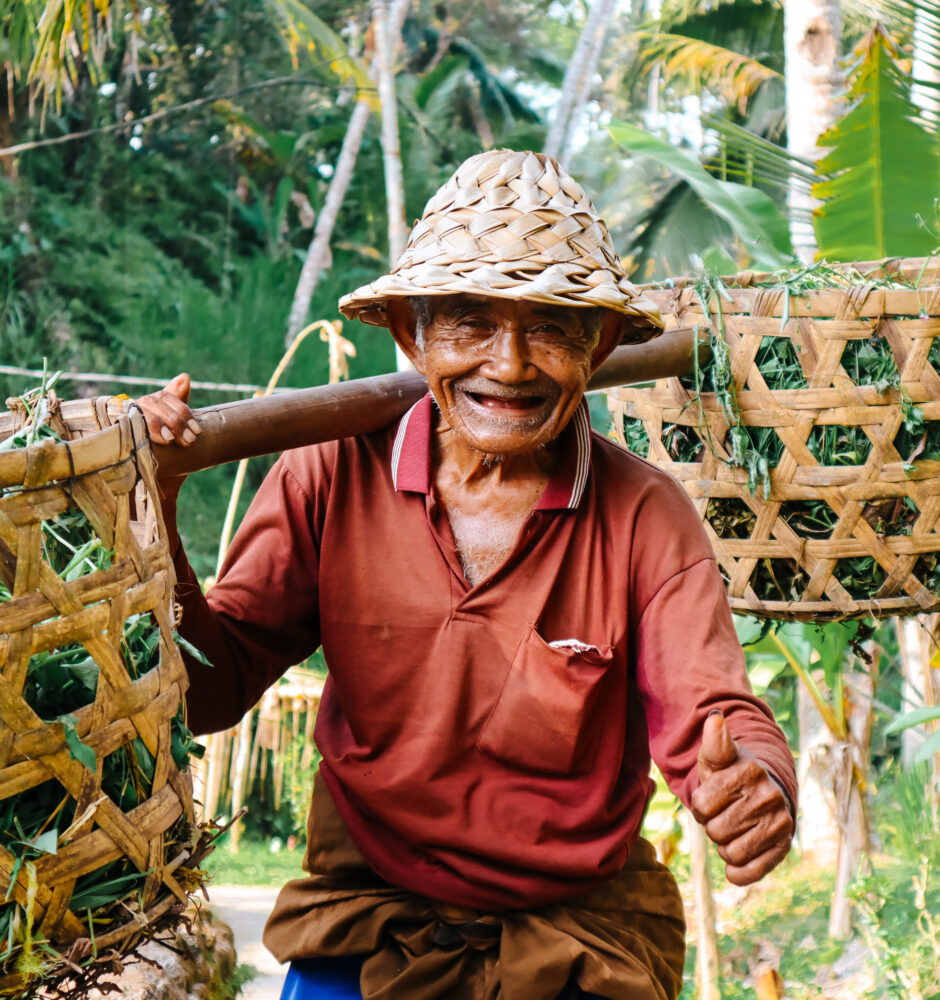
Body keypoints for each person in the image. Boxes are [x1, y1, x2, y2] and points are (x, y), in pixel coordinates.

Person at [140, 150, 796, 1000]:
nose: (511, 364)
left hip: (580, 930)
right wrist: (154, 502)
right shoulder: (326, 477)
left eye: (551, 326)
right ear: (412, 336)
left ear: (597, 346)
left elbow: (713, 710)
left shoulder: (644, 514)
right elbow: (209, 688)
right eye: (469, 324)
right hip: (368, 913)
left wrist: (754, 779)